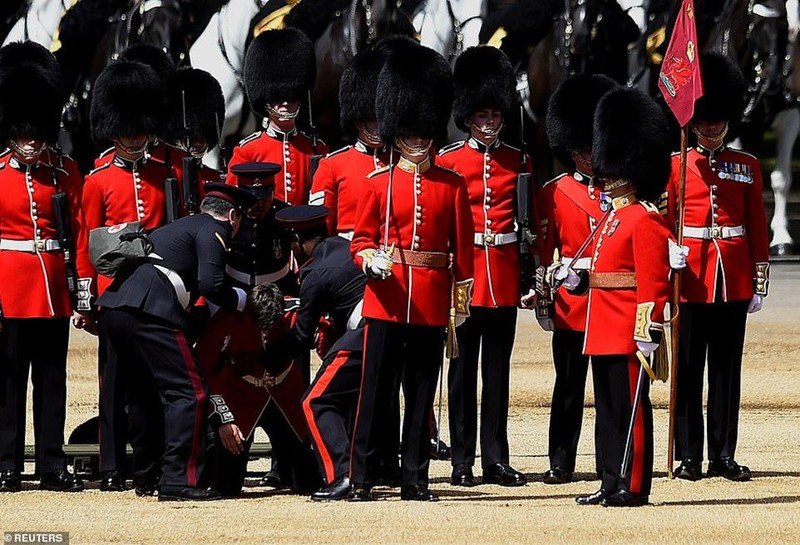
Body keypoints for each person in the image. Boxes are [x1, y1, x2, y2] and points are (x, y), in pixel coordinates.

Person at [349, 43, 474, 502]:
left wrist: (459, 306)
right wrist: (369, 260)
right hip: (386, 297)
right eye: (411, 131)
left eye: (425, 131)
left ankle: (415, 478)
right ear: (398, 130)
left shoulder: (452, 185)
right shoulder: (377, 184)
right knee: (374, 393)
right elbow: (360, 241)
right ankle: (362, 475)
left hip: (429, 304)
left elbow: (463, 252)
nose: (419, 139)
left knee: (421, 396)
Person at [96, 183, 256, 501]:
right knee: (190, 392)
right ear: (233, 215)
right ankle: (177, 479)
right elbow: (210, 283)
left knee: (143, 392)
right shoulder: (214, 228)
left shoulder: (178, 225)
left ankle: (146, 474)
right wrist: (241, 300)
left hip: (117, 305)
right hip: (152, 308)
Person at [568, 87, 672, 507]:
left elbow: (653, 280)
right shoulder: (611, 219)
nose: (605, 178)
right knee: (609, 411)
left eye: (612, 171)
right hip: (602, 328)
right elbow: (603, 271)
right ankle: (610, 478)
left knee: (632, 409)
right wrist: (578, 279)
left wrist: (650, 328)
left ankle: (633, 484)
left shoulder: (644, 219)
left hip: (629, 327)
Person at [669, 53, 770, 482]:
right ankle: (690, 455)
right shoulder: (674, 166)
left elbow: (757, 228)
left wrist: (759, 281)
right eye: (704, 119)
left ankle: (723, 454)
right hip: (691, 278)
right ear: (693, 119)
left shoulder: (747, 167)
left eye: (717, 119)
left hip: (733, 279)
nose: (711, 127)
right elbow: (662, 219)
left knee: (727, 372)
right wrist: (667, 252)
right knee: (688, 369)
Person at [0, 41, 93, 494]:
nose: (31, 141)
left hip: (54, 287)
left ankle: (52, 466)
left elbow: (79, 233)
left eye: (36, 132)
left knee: (52, 382)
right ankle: (7, 466)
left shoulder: (64, 171)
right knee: (9, 381)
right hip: (9, 288)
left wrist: (83, 294)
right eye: (23, 133)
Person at [436, 45, 529, 488]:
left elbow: (527, 229)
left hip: (505, 277)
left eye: (495, 115)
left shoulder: (519, 160)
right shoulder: (449, 160)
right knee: (460, 373)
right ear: (467, 117)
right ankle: (461, 460)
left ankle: (495, 458)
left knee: (497, 375)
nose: (489, 123)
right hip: (465, 279)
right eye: (481, 116)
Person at [83, 59, 169, 494]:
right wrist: (86, 299)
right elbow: (88, 244)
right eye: (127, 130)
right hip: (113, 291)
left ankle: (147, 464)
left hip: (153, 289)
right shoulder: (96, 180)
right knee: (112, 384)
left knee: (151, 383)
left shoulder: (162, 174)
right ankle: (111, 464)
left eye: (140, 129)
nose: (134, 138)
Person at [527, 73, 618, 485]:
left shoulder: (621, 192)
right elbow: (545, 255)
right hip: (572, 304)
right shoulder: (554, 191)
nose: (587, 154)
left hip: (610, 303)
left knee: (608, 389)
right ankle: (560, 460)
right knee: (567, 388)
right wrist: (545, 300)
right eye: (580, 147)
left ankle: (608, 462)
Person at [272, 205, 367, 501]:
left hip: (364, 331)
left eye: (292, 243)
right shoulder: (345, 245)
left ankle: (342, 475)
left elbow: (302, 334)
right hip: (384, 329)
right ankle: (363, 472)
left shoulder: (314, 271)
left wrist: (272, 357)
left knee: (316, 401)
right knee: (351, 402)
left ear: (299, 241)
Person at [196, 283, 311, 497]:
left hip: (286, 396)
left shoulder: (294, 311)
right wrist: (222, 419)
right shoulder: (228, 318)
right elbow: (204, 370)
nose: (265, 331)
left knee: (309, 481)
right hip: (241, 398)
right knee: (227, 486)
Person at [227, 28, 329, 204]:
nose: (285, 104)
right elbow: (234, 202)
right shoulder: (247, 151)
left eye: (291, 97)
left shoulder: (316, 149)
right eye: (277, 97)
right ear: (265, 100)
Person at [310, 49, 387, 238]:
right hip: (346, 258)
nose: (379, 126)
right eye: (371, 119)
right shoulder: (333, 165)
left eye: (382, 117)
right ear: (358, 120)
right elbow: (320, 230)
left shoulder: (400, 161)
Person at [163, 66, 227, 201]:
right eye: (191, 138)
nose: (198, 143)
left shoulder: (215, 179)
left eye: (202, 137)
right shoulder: (163, 178)